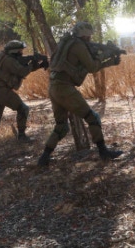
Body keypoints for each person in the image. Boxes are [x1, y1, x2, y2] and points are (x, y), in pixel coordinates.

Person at [37, 21, 123, 166]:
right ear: (85, 35)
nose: (90, 39)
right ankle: (103, 153)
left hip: (54, 87)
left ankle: (43, 158)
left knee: (61, 127)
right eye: (89, 36)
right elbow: (92, 66)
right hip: (64, 88)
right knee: (93, 117)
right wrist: (107, 56)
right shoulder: (78, 46)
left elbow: (87, 65)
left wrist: (110, 60)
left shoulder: (67, 43)